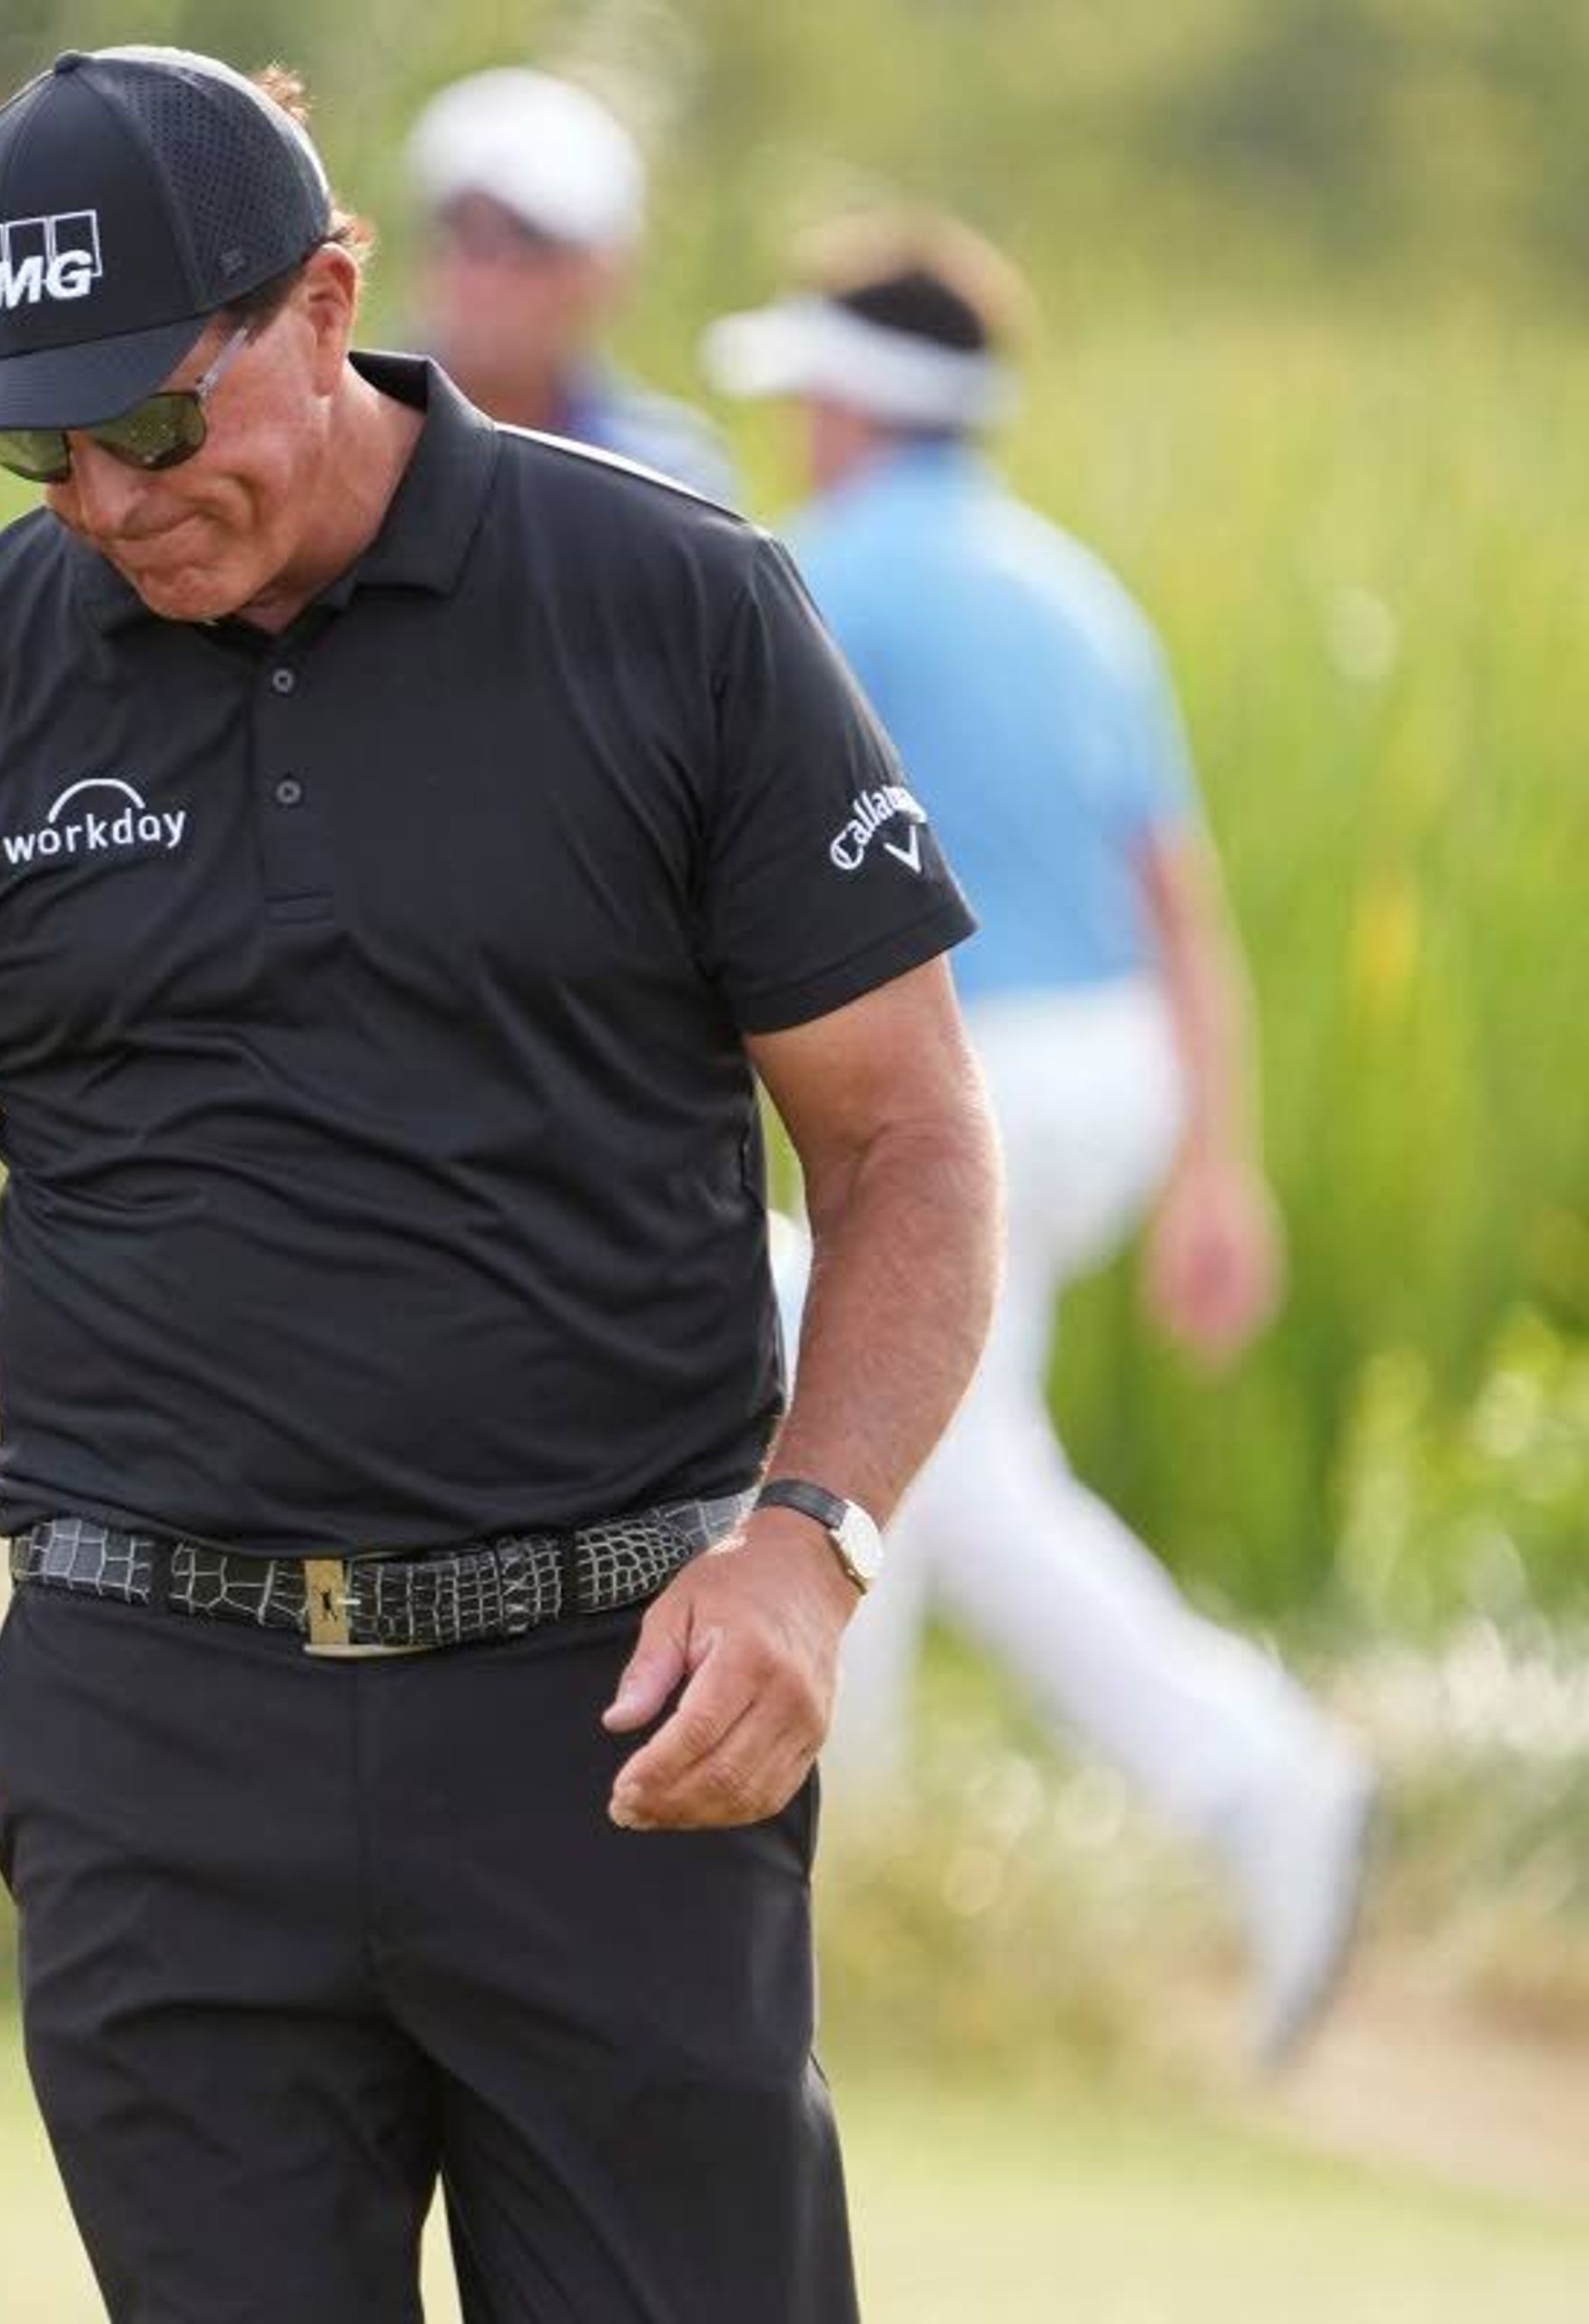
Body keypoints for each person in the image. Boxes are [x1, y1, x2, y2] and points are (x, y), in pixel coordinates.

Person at [0, 46, 1001, 2322]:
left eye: (151, 422)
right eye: (39, 445)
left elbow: (902, 1140)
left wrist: (803, 1551)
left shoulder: (673, 608)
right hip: (148, 1744)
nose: (105, 500)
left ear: (323, 297)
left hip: (607, 1734)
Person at [706, 215, 1375, 2067]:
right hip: (1118, 1074)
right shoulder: (1083, 592)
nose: (795, 430)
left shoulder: (807, 574)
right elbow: (1184, 899)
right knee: (933, 1452)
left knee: (873, 1419)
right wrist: (1219, 1163)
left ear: (856, 403)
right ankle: (896, 1859)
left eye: (809, 396)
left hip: (966, 1094)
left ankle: (1249, 1780)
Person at [399, 65, 736, 502]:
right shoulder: (342, 434)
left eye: (525, 241)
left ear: (601, 275)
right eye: (459, 231)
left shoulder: (670, 476)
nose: (480, 274)